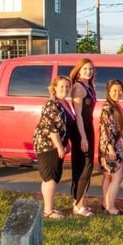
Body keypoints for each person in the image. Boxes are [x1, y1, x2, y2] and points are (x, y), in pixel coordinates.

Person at [33, 75, 74, 219]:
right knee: (51, 177)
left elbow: (62, 126)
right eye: (61, 86)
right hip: (49, 146)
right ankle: (48, 212)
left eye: (67, 87)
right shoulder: (52, 104)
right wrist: (59, 147)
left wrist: (66, 142)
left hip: (53, 145)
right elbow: (52, 129)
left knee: (49, 178)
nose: (65, 89)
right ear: (54, 87)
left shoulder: (61, 103)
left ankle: (48, 207)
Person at [69, 58, 96, 217]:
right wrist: (83, 137)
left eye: (91, 69)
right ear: (79, 70)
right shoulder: (78, 87)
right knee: (84, 167)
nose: (88, 71)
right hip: (81, 130)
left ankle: (79, 201)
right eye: (85, 69)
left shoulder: (88, 86)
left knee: (86, 166)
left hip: (87, 128)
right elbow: (78, 115)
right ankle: (78, 205)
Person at [98, 79, 123, 215]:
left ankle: (106, 204)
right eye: (114, 90)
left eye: (120, 90)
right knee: (117, 176)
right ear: (108, 91)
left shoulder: (115, 106)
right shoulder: (108, 108)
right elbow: (105, 129)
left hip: (115, 146)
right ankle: (111, 207)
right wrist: (110, 148)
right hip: (111, 148)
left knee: (107, 176)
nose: (118, 93)